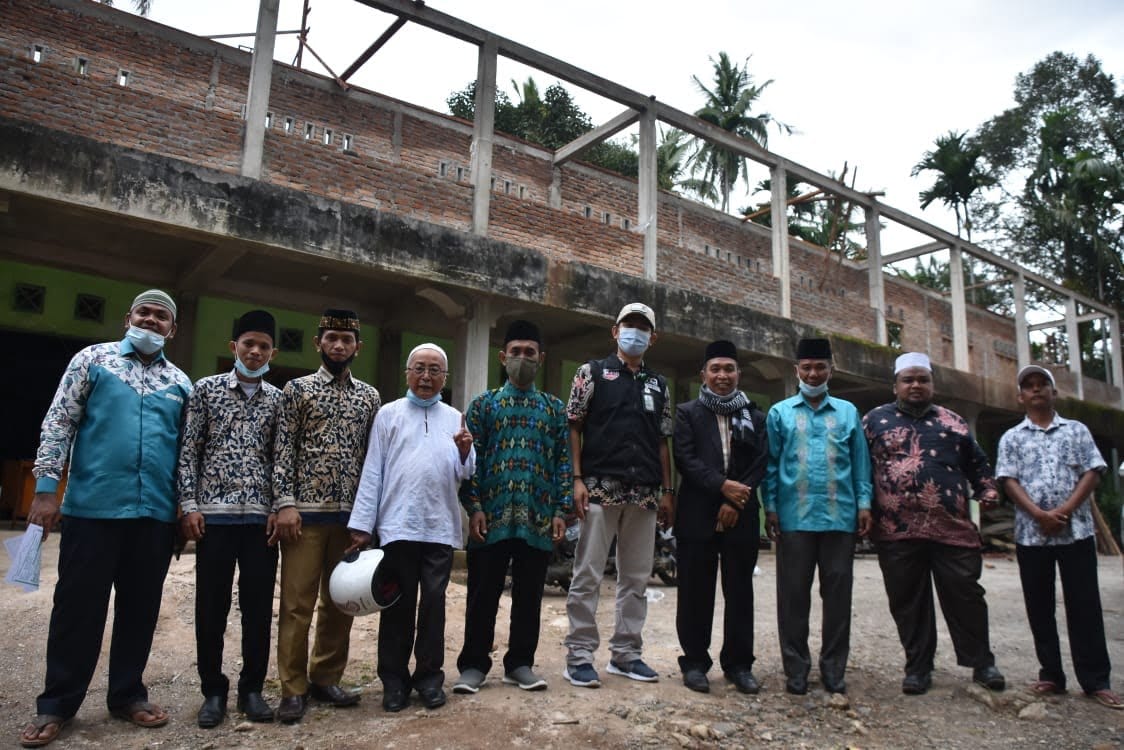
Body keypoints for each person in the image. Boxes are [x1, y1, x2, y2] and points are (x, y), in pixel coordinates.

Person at [20, 290, 192, 749]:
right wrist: (44, 490)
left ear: (172, 330)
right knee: (78, 609)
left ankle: (127, 694)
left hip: (153, 513)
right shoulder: (92, 360)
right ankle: (57, 703)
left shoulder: (180, 383)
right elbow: (59, 422)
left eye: (162, 317)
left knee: (140, 610)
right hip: (91, 508)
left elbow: (186, 454)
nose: (152, 321)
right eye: (145, 313)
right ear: (127, 319)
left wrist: (182, 507)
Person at [863, 352, 1005, 695]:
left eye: (922, 379)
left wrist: (987, 489)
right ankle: (918, 667)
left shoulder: (954, 422)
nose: (915, 385)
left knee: (966, 594)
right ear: (895, 384)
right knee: (908, 600)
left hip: (951, 527)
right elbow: (859, 469)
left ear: (932, 384)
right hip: (896, 530)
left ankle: (981, 663)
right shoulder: (873, 421)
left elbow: (978, 464)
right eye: (908, 379)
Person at [348, 343, 476, 713]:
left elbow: (464, 473)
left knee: (434, 606)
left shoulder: (455, 418)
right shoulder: (389, 415)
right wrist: (363, 526)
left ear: (444, 378)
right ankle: (394, 681)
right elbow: (373, 471)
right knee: (397, 606)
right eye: (419, 368)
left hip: (438, 529)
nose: (426, 376)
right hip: (397, 526)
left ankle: (429, 679)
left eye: (435, 370)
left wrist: (466, 451)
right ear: (407, 373)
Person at [271, 309, 381, 723]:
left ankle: (326, 677)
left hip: (349, 519)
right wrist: (284, 503)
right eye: (331, 337)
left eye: (346, 339)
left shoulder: (369, 397)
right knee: (297, 606)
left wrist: (367, 520)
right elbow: (283, 450)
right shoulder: (296, 390)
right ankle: (292, 688)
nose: (338, 345)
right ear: (319, 343)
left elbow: (374, 461)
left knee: (340, 603)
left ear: (357, 347)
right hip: (304, 518)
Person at [451, 321, 572, 695]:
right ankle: (473, 665)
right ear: (502, 358)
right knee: (482, 593)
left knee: (529, 596)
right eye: (515, 352)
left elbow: (562, 462)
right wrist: (474, 506)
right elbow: (472, 462)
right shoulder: (484, 405)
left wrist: (559, 510)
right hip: (491, 518)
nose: (522, 359)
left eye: (529, 353)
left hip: (536, 520)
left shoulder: (553, 409)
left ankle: (520, 663)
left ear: (541, 359)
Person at [176, 310, 282, 728]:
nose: (255, 352)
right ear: (233, 347)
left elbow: (280, 458)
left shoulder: (278, 399)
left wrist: (278, 506)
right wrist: (188, 505)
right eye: (248, 344)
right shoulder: (206, 391)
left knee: (257, 608)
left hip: (260, 522)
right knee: (211, 608)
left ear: (273, 352)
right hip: (213, 520)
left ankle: (252, 689)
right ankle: (213, 691)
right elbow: (189, 450)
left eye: (263, 346)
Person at [995, 365, 1121, 709]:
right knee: (1040, 606)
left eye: (1042, 385)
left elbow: (1092, 472)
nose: (1036, 390)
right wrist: (1038, 515)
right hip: (1031, 535)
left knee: (1085, 606)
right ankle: (1051, 674)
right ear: (1020, 396)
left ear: (1054, 393)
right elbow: (1008, 480)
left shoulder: (1076, 431)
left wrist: (1063, 511)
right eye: (1029, 386)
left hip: (1076, 532)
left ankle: (1095, 681)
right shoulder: (1012, 438)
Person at [563, 302, 675, 688]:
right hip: (599, 489)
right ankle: (578, 656)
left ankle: (626, 655)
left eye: (643, 327)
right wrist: (577, 479)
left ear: (653, 338)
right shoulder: (590, 373)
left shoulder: (659, 385)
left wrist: (667, 490)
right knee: (588, 574)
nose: (635, 332)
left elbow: (663, 441)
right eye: (629, 325)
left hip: (644, 494)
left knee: (636, 578)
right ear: (615, 331)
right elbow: (574, 426)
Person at [763, 338, 871, 696]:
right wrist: (771, 507)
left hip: (840, 519)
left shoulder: (847, 412)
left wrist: (865, 504)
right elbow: (771, 465)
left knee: (838, 599)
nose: (813, 373)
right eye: (807, 367)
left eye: (820, 367)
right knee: (793, 598)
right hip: (794, 520)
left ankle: (833, 669)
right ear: (796, 370)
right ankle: (796, 669)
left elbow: (860, 464)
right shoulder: (780, 413)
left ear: (831, 370)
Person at [672, 340, 768, 694]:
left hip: (741, 517)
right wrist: (723, 487)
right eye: (716, 369)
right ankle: (695, 662)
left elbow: (759, 462)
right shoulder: (687, 413)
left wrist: (736, 499)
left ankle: (739, 665)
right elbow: (686, 459)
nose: (723, 376)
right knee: (695, 591)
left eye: (729, 369)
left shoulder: (755, 417)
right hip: (697, 515)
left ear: (738, 373)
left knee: (740, 591)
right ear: (704, 374)